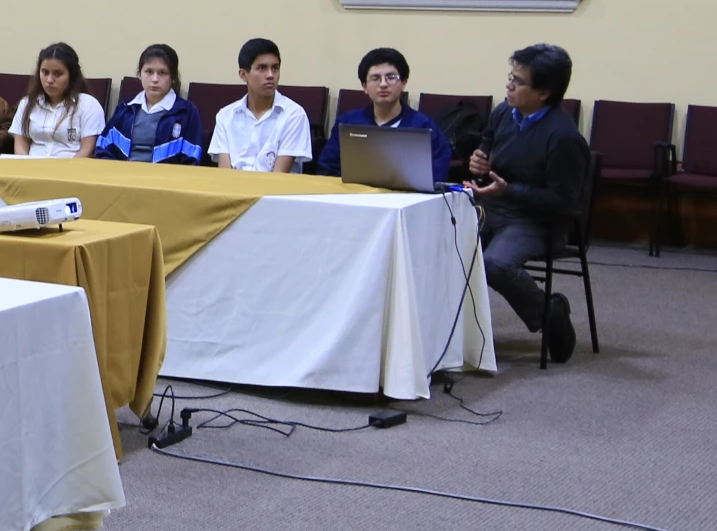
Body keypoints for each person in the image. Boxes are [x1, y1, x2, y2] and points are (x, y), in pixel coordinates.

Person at [469, 44, 590, 362]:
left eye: (519, 81)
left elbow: (564, 201)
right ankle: (454, 333)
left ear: (544, 93)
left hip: (539, 220)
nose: (509, 86)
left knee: (495, 264)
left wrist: (509, 191)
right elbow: (487, 141)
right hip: (492, 207)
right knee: (443, 248)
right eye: (511, 77)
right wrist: (480, 161)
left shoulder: (563, 137)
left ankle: (550, 311)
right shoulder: (503, 112)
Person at [314, 48, 452, 183]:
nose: (383, 84)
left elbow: (438, 174)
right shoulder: (348, 123)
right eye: (375, 78)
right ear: (364, 87)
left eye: (391, 77)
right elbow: (327, 169)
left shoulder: (423, 125)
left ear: (403, 83)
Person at [211, 38, 312, 174]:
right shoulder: (225, 116)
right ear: (243, 75)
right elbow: (224, 175)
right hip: (233, 192)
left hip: (274, 193)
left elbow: (279, 176)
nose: (270, 75)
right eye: (262, 68)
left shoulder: (294, 114)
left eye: (275, 68)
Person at [94, 44, 203, 164]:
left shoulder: (186, 112)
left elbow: (192, 159)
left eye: (162, 73)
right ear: (140, 74)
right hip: (122, 178)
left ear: (173, 77)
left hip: (165, 180)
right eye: (149, 72)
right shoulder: (126, 108)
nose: (155, 79)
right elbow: (103, 148)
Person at [9, 42, 102, 158]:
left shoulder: (88, 104)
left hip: (71, 171)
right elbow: (20, 145)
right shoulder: (27, 104)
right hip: (32, 169)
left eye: (58, 74)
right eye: (45, 72)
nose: (49, 80)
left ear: (71, 75)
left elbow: (87, 150)